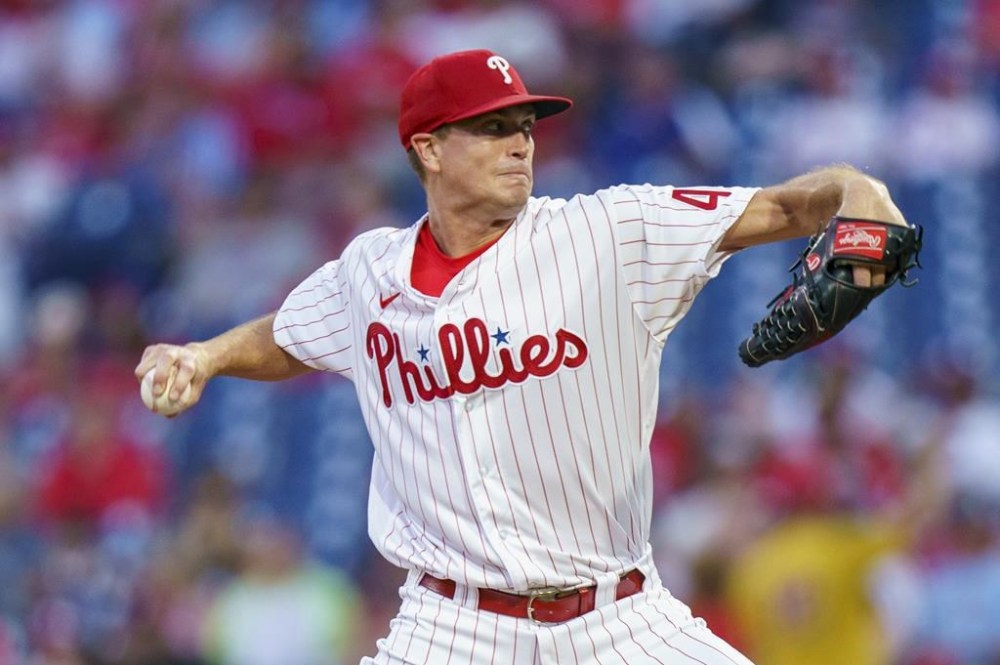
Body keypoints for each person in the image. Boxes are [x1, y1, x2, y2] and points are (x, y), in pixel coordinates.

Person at [136, 49, 910, 664]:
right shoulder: (366, 273)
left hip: (620, 619)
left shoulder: (606, 230)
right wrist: (204, 355)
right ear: (429, 149)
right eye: (493, 127)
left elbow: (781, 206)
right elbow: (288, 336)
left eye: (527, 124)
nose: (520, 142)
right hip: (450, 627)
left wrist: (855, 186)